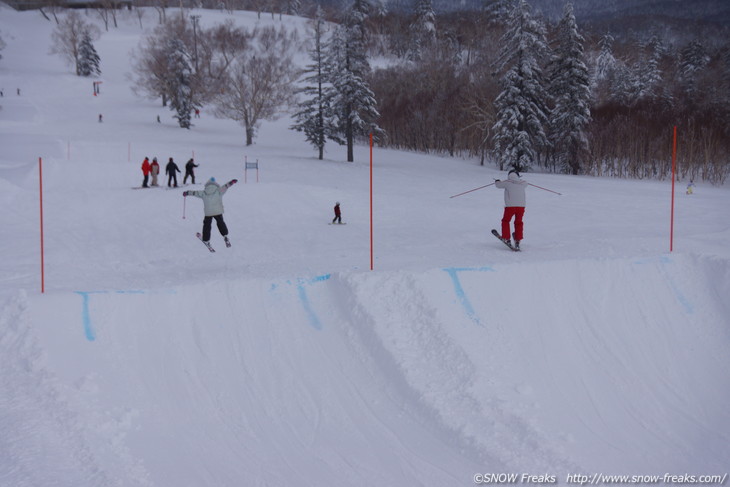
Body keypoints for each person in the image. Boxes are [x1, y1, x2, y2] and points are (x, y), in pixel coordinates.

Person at [184, 177, 238, 246]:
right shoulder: (219, 190)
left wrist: (187, 192)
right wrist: (231, 182)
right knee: (220, 222)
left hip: (208, 213)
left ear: (207, 185)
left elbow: (195, 193)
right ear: (215, 184)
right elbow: (226, 186)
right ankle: (225, 236)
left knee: (207, 225)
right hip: (218, 211)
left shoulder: (203, 192)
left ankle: (206, 240)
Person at [494, 169, 528, 250]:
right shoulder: (523, 183)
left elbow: (498, 185)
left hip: (510, 207)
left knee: (506, 221)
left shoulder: (507, 182)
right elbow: (526, 183)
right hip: (521, 207)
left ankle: (506, 237)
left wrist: (497, 181)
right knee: (518, 222)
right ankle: (518, 239)